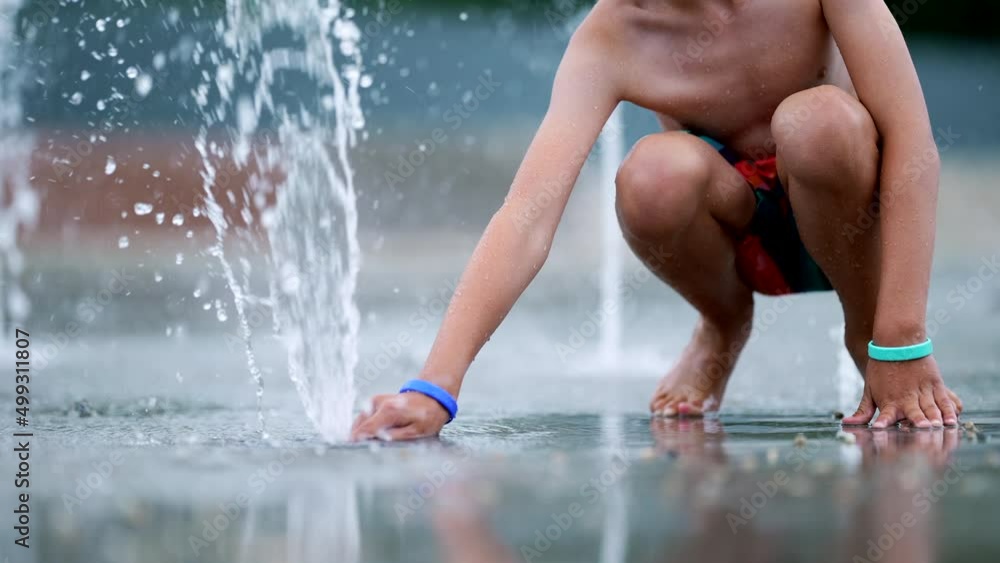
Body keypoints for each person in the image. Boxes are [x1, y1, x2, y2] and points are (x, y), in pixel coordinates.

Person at [351, 0, 964, 441]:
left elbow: (913, 146)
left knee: (819, 123)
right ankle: (723, 323)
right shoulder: (614, 33)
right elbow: (526, 217)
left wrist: (901, 334)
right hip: (744, 234)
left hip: (855, 223)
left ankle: (865, 333)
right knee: (652, 176)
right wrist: (435, 387)